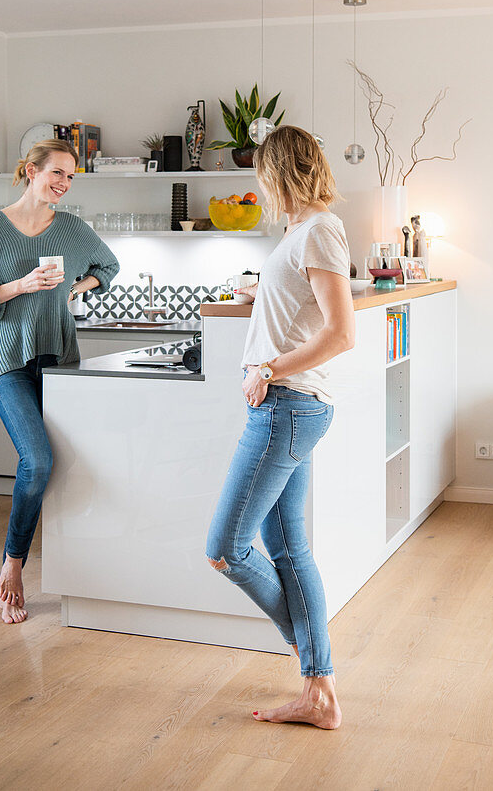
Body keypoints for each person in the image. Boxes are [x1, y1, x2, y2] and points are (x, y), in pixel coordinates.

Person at [206, 125, 355, 729]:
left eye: (262, 178)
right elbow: (300, 307)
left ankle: (311, 658)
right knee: (288, 549)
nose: (261, 191)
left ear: (279, 172)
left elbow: (341, 334)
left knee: (225, 549)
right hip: (291, 407)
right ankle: (318, 691)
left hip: (285, 407)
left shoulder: (318, 229)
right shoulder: (303, 230)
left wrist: (267, 367)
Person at [0, 139, 119, 624]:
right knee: (38, 460)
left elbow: (109, 267)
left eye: (71, 176)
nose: (64, 183)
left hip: (60, 360)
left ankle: (75, 569)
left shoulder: (71, 230)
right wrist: (21, 285)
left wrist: (73, 287)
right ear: (31, 170)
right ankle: (13, 563)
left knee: (66, 467)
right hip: (8, 363)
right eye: (57, 173)